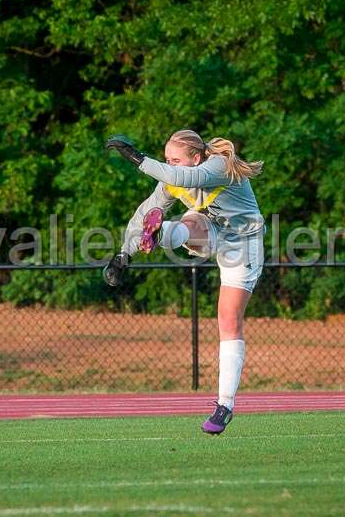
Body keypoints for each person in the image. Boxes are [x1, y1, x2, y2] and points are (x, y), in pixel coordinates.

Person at [104, 130, 264, 434]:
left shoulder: (217, 167)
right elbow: (143, 213)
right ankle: (161, 233)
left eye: (174, 160)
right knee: (189, 221)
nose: (169, 165)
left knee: (228, 320)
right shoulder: (174, 179)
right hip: (211, 230)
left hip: (243, 244)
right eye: (166, 160)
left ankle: (225, 406)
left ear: (196, 157)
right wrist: (124, 254)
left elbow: (185, 178)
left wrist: (139, 159)